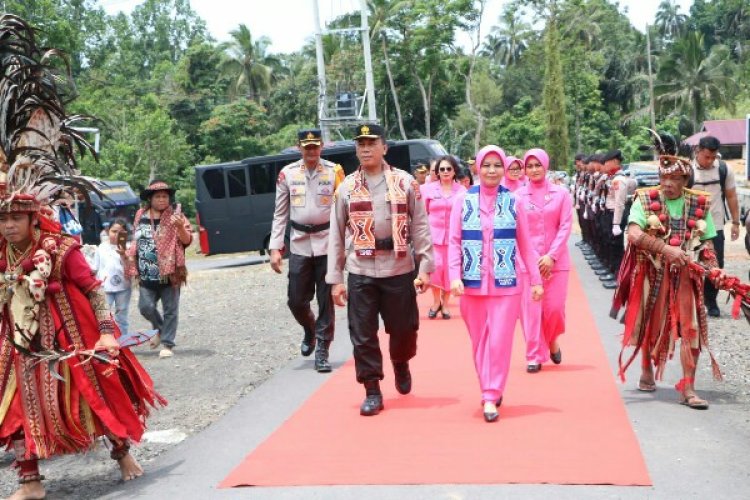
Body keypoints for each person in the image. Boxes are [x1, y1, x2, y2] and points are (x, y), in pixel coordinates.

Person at [0, 16, 164, 498]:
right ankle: (30, 480)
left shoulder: (63, 249)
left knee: (97, 394)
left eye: (16, 218)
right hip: (19, 346)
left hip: (73, 339)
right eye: (2, 219)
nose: (8, 225)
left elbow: (93, 289)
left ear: (34, 218)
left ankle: (123, 452)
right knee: (13, 407)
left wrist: (109, 333)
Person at [327, 123, 434, 417]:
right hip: (361, 269)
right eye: (360, 144)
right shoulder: (346, 187)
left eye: (371, 143)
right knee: (362, 333)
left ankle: (401, 362)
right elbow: (336, 234)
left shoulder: (405, 182)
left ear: (384, 147)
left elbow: (420, 226)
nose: (365, 148)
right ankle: (372, 389)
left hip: (399, 267)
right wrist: (336, 280)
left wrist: (425, 267)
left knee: (404, 329)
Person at [612, 150, 725, 409]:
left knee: (691, 327)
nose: (669, 184)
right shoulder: (645, 198)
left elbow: (707, 241)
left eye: (676, 178)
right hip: (653, 272)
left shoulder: (698, 203)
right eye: (665, 178)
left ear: (686, 180)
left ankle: (688, 387)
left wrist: (714, 267)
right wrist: (665, 250)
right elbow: (633, 234)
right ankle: (645, 368)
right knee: (650, 322)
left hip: (686, 275)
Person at [448, 145, 543, 422]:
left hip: (507, 284)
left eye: (497, 165)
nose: (491, 170)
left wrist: (535, 281)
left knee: (500, 341)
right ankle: (488, 385)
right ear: (477, 167)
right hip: (471, 283)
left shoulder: (514, 202)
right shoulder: (462, 201)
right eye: (486, 165)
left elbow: (525, 244)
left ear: (504, 169)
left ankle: (491, 394)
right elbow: (455, 241)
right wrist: (454, 276)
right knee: (479, 342)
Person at [269, 129, 343, 372]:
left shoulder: (334, 171)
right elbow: (280, 213)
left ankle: (323, 349)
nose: (311, 151)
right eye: (306, 147)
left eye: (315, 146)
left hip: (326, 242)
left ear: (322, 146)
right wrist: (275, 248)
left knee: (325, 300)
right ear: (298, 147)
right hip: (300, 243)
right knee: (296, 300)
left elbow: (343, 210)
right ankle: (310, 329)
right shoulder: (287, 174)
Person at [514, 149, 572, 372]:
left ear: (546, 166)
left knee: (554, 309)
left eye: (538, 165)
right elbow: (518, 231)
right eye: (530, 166)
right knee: (532, 311)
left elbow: (566, 225)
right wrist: (533, 258)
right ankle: (534, 354)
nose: (534, 170)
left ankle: (552, 339)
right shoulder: (518, 196)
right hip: (529, 263)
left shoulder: (561, 194)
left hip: (556, 262)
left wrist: (551, 256)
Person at [127, 180, 192, 359]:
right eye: (158, 196)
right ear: (150, 198)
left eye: (165, 196)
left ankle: (167, 344)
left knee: (171, 310)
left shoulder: (176, 216)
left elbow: (187, 241)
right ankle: (161, 330)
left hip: (171, 273)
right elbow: (135, 239)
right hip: (146, 273)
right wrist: (132, 261)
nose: (162, 200)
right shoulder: (141, 214)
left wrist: (179, 226)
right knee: (145, 307)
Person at [691, 136, 741, 317]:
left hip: (716, 226)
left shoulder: (723, 169)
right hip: (691, 226)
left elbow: (731, 196)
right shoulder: (688, 171)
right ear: (698, 151)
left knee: (715, 264)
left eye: (713, 157)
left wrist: (736, 222)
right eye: (706, 157)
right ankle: (692, 300)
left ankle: (711, 301)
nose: (710, 161)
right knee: (691, 263)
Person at [422, 155, 466, 319]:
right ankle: (435, 301)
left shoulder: (462, 191)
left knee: (449, 271)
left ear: (454, 171)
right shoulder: (428, 189)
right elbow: (422, 213)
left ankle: (445, 303)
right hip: (433, 236)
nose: (445, 172)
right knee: (435, 268)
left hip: (454, 239)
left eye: (449, 168)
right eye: (442, 169)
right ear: (437, 172)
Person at [93, 218, 132, 336]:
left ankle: (123, 341)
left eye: (121, 232)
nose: (116, 235)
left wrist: (124, 254)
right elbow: (95, 267)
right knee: (104, 315)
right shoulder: (101, 247)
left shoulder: (129, 247)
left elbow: (130, 267)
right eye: (114, 231)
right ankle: (106, 339)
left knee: (122, 315)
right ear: (107, 231)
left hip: (124, 286)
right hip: (105, 286)